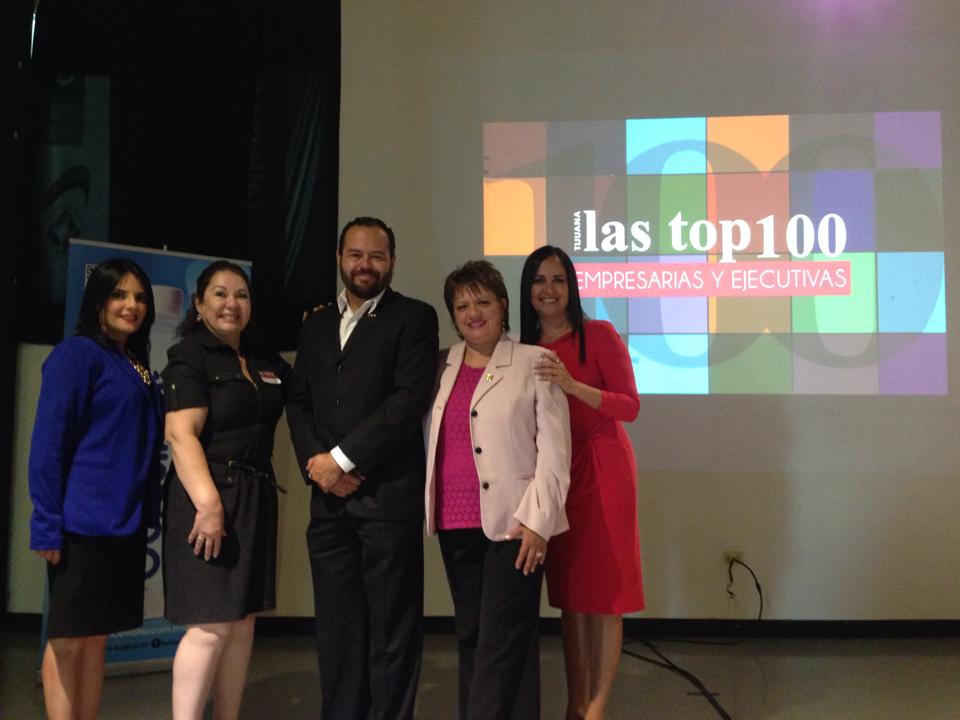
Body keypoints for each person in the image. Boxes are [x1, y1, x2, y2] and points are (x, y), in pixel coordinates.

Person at [286, 216, 439, 720]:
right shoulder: (314, 324)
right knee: (337, 631)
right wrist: (318, 467)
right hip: (328, 504)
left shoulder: (414, 318)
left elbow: (407, 400)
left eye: (376, 255)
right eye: (355, 254)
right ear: (339, 258)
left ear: (392, 261)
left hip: (387, 500)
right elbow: (299, 403)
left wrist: (341, 460)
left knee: (392, 632)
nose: (365, 264)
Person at [424, 260, 571, 720]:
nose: (473, 313)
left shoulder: (533, 362)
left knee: (498, 641)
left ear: (503, 305)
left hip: (515, 526)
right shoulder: (441, 364)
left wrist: (539, 522)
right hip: (455, 520)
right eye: (462, 306)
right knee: (474, 637)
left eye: (483, 302)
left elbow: (555, 453)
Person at [29, 257, 164, 720]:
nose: (132, 305)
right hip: (80, 526)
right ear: (98, 301)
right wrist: (47, 525)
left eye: (140, 297)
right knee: (68, 641)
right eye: (119, 294)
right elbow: (48, 446)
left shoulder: (135, 363)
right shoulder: (77, 354)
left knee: (96, 639)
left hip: (123, 525)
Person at [161, 260, 292, 720]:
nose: (231, 303)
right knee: (210, 626)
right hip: (207, 498)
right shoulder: (189, 356)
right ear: (198, 304)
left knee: (241, 624)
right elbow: (180, 434)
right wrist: (209, 504)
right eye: (220, 293)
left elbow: (303, 393)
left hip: (254, 498)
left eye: (241, 295)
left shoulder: (262, 359)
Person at [520, 245, 644, 720]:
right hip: (556, 473)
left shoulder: (599, 335)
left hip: (603, 465)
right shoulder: (523, 347)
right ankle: (575, 702)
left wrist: (572, 385)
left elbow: (629, 406)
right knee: (571, 597)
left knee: (606, 597)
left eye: (558, 279)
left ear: (571, 287)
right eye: (539, 280)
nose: (548, 290)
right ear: (527, 289)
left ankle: (596, 709)